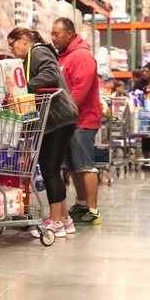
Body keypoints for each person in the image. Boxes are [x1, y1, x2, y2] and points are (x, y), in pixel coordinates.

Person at [7, 27, 79, 237]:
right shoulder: (30, 57)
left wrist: (25, 87)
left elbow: (51, 73)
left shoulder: (37, 51)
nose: (12, 50)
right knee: (52, 169)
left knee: (49, 170)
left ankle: (55, 222)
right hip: (56, 120)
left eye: (12, 44)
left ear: (23, 40)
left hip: (58, 118)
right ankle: (65, 219)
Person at [51, 17, 103, 225]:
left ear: (70, 34)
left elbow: (81, 88)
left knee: (85, 165)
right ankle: (81, 203)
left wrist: (65, 111)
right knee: (74, 166)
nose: (53, 38)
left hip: (83, 119)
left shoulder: (81, 56)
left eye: (57, 34)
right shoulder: (64, 57)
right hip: (70, 120)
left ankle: (93, 209)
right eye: (52, 34)